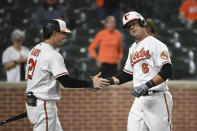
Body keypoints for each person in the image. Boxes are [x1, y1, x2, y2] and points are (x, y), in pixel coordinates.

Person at [25, 19, 109, 131]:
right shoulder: (52, 54)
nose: (65, 36)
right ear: (54, 33)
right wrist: (90, 83)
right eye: (63, 33)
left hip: (34, 102)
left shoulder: (34, 50)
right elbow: (66, 82)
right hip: (43, 105)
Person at [105, 11, 173, 131]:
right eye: (128, 26)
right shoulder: (132, 48)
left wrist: (146, 86)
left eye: (134, 23)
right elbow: (126, 75)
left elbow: (167, 71)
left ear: (142, 23)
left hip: (157, 99)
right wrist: (104, 82)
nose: (131, 27)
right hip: (139, 101)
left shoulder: (156, 44)